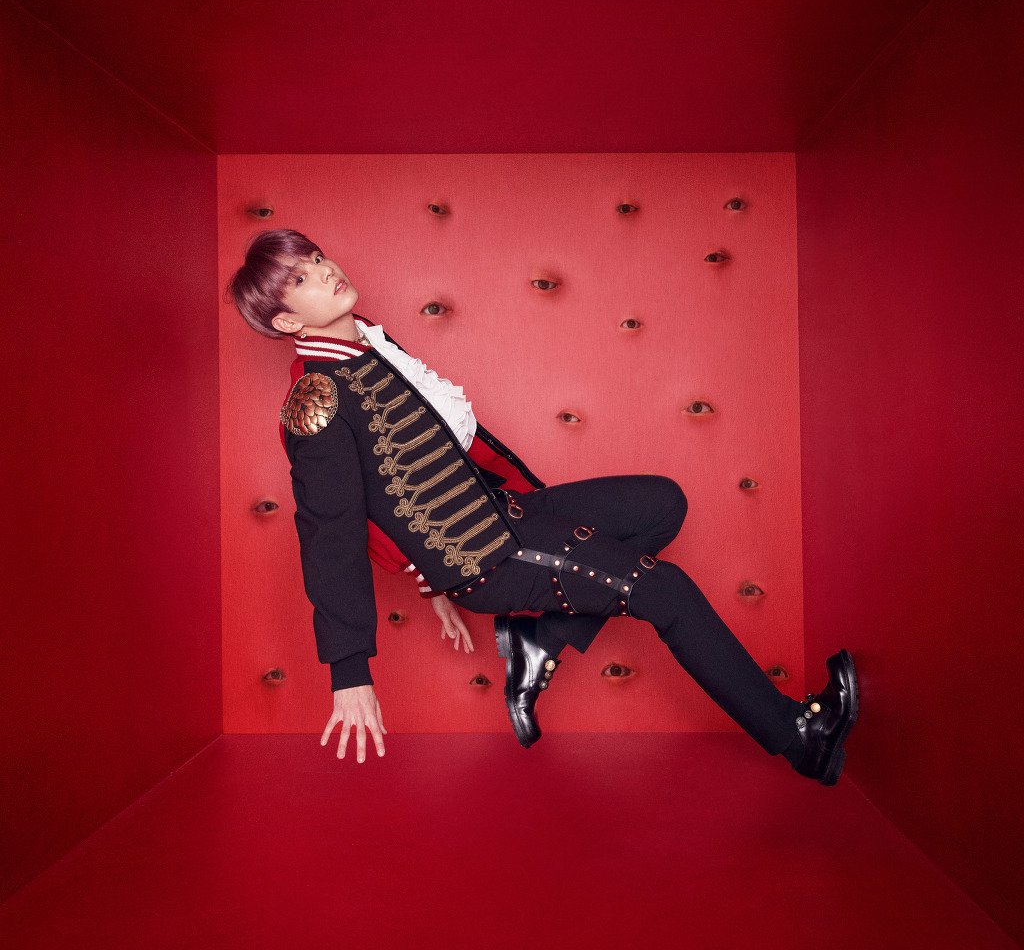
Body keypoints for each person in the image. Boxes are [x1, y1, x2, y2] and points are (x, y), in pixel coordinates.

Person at [225, 228, 859, 783]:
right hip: (486, 558)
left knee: (661, 505)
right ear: (288, 322)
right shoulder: (317, 400)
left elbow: (411, 479)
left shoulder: (371, 346)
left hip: (504, 513)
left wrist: (424, 572)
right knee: (667, 592)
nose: (325, 271)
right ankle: (799, 737)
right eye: (300, 279)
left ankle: (539, 640)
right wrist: (350, 670)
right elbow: (332, 531)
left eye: (317, 257)